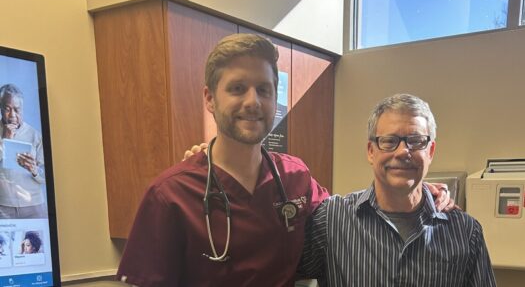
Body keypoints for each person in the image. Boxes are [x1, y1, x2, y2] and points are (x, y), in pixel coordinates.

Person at [119, 34, 453, 286]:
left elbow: (351, 215)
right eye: (237, 89)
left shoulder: (294, 177)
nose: (253, 101)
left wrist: (417, 191)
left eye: (264, 90)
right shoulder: (169, 195)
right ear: (209, 98)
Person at [297, 93, 496, 286]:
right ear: (370, 151)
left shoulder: (465, 232)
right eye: (389, 141)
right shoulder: (331, 221)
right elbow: (277, 273)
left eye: (416, 141)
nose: (403, 152)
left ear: (431, 151)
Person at [0, 84, 46, 219]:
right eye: (7, 109)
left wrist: (34, 170)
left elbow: (45, 177)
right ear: (1, 108)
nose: (12, 115)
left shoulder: (35, 135)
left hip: (34, 205)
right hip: (3, 206)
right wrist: (5, 140)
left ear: (22, 109)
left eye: (17, 110)